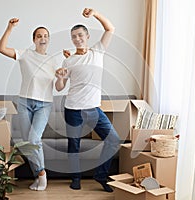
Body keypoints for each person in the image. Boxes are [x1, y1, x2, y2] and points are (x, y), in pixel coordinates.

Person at [55, 8, 121, 192]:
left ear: (87, 36)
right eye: (74, 37)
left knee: (113, 140)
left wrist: (95, 14)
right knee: (74, 146)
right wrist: (60, 78)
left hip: (93, 109)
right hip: (73, 108)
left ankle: (101, 175)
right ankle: (75, 178)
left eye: (80, 35)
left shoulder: (97, 51)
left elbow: (110, 29)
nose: (77, 39)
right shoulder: (69, 61)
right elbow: (60, 88)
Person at [0, 18, 57, 191]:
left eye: (45, 36)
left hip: (44, 105)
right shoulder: (25, 54)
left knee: (33, 139)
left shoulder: (54, 60)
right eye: (39, 35)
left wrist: (61, 76)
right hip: (24, 102)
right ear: (34, 39)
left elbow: (60, 85)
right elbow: (1, 49)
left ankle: (41, 175)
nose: (42, 38)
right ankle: (37, 174)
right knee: (26, 143)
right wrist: (9, 28)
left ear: (48, 39)